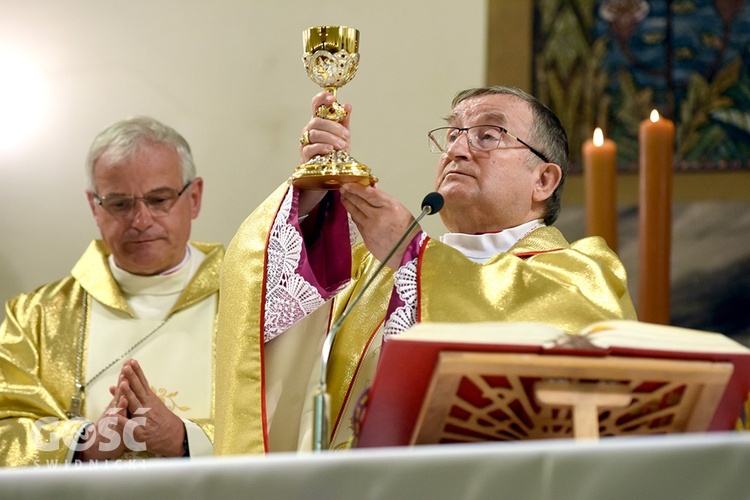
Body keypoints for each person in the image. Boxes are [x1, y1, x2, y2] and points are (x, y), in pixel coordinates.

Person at [214, 86, 636, 455]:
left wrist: (414, 257)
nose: (457, 149)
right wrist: (309, 197)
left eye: (488, 135)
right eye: (453, 135)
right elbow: (264, 330)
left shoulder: (580, 273)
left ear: (543, 180)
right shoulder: (374, 270)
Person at [0, 117, 224, 466]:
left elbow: (284, 416)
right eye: (120, 203)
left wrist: (184, 438)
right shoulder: (37, 317)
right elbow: (5, 429)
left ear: (193, 198)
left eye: (159, 199)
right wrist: (84, 444)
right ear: (95, 207)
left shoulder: (250, 303)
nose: (140, 220)